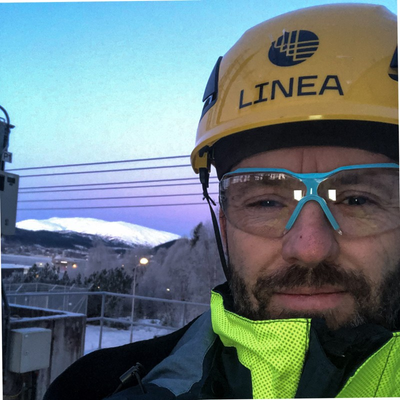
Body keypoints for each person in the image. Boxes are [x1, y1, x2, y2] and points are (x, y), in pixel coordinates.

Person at [44, 3, 399, 399]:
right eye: (266, 203)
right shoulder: (93, 388)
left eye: (357, 199)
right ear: (226, 227)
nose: (310, 248)